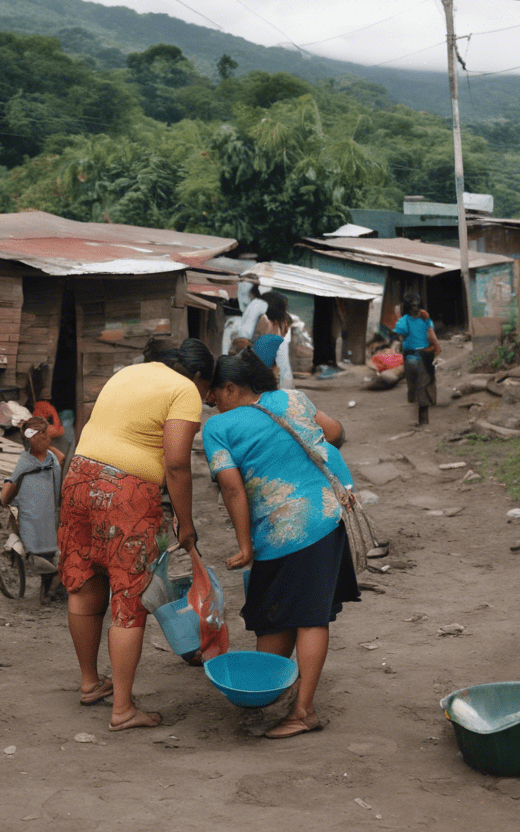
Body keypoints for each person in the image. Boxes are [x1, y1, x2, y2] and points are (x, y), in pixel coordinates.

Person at [57, 337, 215, 731]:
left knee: (85, 582)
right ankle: (123, 709)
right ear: (197, 377)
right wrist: (186, 522)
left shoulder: (127, 372)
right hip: (125, 494)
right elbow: (177, 463)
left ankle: (91, 682)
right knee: (128, 600)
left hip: (78, 477)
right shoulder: (183, 390)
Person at [203, 350, 359, 739]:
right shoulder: (293, 398)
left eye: (213, 394)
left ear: (231, 387)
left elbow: (231, 488)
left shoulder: (217, 428)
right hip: (327, 515)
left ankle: (303, 711)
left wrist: (244, 546)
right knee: (278, 611)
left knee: (306, 615)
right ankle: (274, 691)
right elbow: (335, 432)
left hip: (283, 528)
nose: (211, 403)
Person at [0, 415, 61, 602]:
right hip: (29, 515)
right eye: (40, 435)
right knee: (33, 551)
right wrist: (11, 505)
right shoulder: (25, 461)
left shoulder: (52, 460)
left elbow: (58, 485)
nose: (45, 438)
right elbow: (11, 487)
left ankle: (46, 592)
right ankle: (42, 584)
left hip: (48, 514)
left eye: (45, 434)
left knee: (50, 553)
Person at [391, 293, 441, 426]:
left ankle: (423, 419)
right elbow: (430, 334)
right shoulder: (422, 319)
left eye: (416, 304)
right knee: (421, 385)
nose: (415, 307)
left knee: (420, 386)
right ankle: (424, 414)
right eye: (413, 305)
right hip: (417, 356)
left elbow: (401, 335)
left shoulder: (406, 320)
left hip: (417, 356)